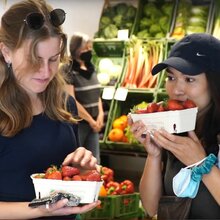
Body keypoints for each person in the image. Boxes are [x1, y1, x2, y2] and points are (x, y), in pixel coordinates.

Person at [0, 0, 100, 219]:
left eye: (53, 59)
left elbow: (62, 177)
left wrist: (81, 170)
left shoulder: (65, 104)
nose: (45, 71)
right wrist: (41, 208)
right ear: (6, 52)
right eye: (34, 59)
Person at [129, 33, 220, 219]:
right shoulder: (177, 130)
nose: (176, 90)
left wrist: (203, 165)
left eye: (189, 79)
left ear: (214, 83)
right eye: (171, 78)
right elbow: (152, 208)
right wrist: (154, 155)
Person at [65, 32, 104, 164]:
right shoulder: (68, 69)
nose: (89, 51)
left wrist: (100, 116)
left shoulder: (91, 67)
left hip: (93, 124)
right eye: (85, 48)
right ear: (76, 49)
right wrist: (91, 120)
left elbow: (97, 94)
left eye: (90, 47)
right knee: (78, 160)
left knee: (95, 161)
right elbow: (71, 100)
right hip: (79, 124)